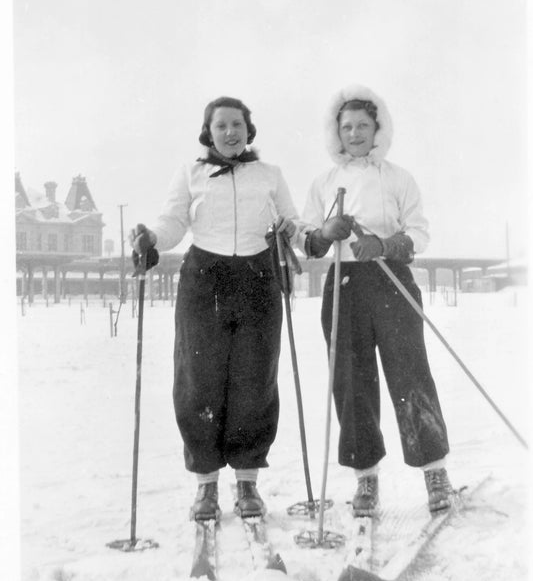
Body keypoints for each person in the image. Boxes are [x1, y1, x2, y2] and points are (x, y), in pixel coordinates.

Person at [131, 96, 298, 522]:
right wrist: (151, 237)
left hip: (258, 279)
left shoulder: (270, 175)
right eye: (220, 125)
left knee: (254, 379)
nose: (230, 132)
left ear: (249, 130)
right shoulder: (191, 173)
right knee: (198, 380)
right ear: (208, 132)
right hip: (205, 279)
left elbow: (293, 221)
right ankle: (206, 486)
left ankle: (247, 483)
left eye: (237, 124)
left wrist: (295, 231)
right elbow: (172, 223)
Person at [299, 84, 452, 517]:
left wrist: (383, 245)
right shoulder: (325, 182)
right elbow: (306, 239)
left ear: (377, 127)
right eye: (347, 126)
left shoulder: (397, 177)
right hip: (344, 286)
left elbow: (419, 232)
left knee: (410, 374)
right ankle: (365, 478)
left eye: (363, 125)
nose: (355, 133)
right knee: (351, 382)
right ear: (337, 132)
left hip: (391, 283)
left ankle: (434, 471)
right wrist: (326, 234)